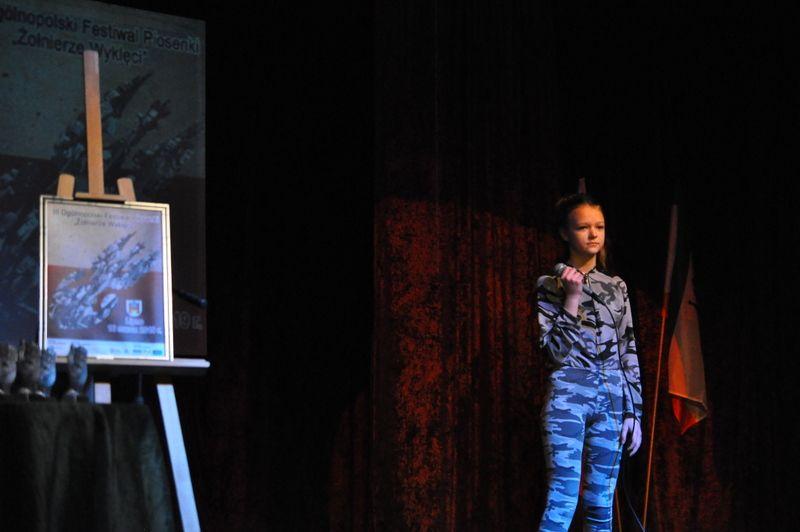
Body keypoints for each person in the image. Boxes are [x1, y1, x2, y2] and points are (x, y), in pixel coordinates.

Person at [536, 193, 643, 531]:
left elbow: (628, 349)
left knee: (601, 503)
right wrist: (571, 297)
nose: (594, 234)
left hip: (612, 399)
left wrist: (634, 412)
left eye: (600, 226)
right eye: (583, 227)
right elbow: (554, 352)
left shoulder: (617, 286)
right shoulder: (550, 284)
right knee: (563, 497)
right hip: (569, 395)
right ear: (565, 233)